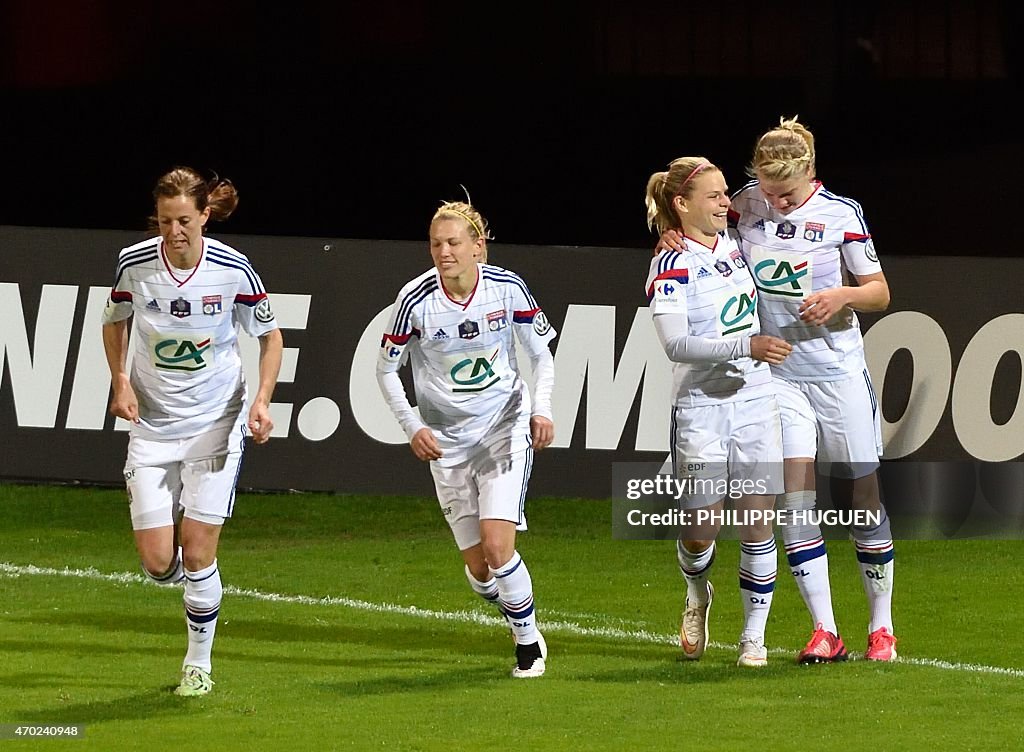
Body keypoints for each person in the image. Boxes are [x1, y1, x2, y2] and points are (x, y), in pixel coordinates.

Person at [658, 117, 897, 663]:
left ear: (809, 172)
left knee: (863, 497)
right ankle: (825, 630)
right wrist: (669, 233)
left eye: (785, 191)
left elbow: (879, 292)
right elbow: (699, 223)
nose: (776, 201)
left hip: (836, 370)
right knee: (793, 498)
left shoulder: (842, 214)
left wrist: (840, 296)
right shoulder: (745, 204)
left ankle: (881, 626)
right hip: (775, 376)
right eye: (766, 190)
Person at [101, 167, 284, 696]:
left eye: (184, 220)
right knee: (161, 564)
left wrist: (263, 400)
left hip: (216, 422)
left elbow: (271, 337)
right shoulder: (135, 264)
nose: (174, 231)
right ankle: (194, 585)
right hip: (153, 423)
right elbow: (114, 321)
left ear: (205, 215)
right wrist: (120, 380)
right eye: (164, 221)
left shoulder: (234, 270)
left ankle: (197, 665)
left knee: (199, 551)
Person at [376, 199, 556, 678]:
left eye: (454, 242)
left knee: (499, 548)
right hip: (447, 441)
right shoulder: (413, 300)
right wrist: (412, 425)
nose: (444, 252)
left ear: (479, 247)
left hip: (503, 427)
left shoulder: (508, 288)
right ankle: (508, 602)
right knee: (481, 571)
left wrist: (542, 409)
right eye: (436, 243)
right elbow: (386, 370)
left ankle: (528, 645)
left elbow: (540, 356)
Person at [644, 157, 792, 667]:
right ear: (682, 204)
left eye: (725, 193)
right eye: (713, 196)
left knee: (757, 520)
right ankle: (697, 592)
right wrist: (745, 348)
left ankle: (754, 637)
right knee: (700, 529)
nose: (725, 203)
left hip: (756, 400)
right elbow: (676, 344)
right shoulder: (671, 262)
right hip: (701, 407)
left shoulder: (738, 242)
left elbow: (782, 194)